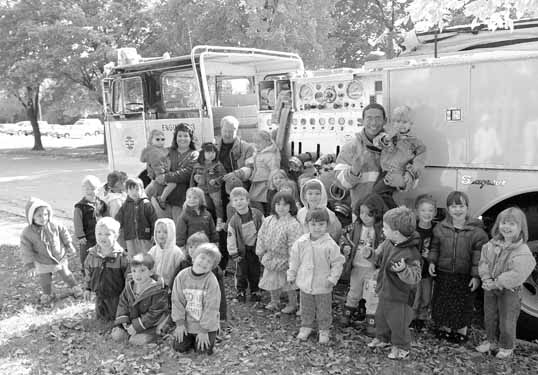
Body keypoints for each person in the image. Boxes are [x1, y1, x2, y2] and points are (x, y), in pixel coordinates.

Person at [428, 191, 489, 343]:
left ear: (467, 208)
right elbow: (434, 248)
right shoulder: (440, 228)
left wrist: (476, 276)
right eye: (453, 206)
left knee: (463, 303)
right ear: (448, 209)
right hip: (444, 272)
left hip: (465, 274)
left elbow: (479, 257)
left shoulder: (477, 232)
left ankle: (461, 330)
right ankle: (445, 328)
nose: (457, 210)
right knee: (444, 301)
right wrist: (432, 262)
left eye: (461, 206)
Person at [476, 207, 536, 359]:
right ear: (498, 225)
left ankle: (507, 346)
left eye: (512, 224)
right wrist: (486, 278)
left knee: (507, 320)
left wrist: (498, 282)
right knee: (490, 316)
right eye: (504, 223)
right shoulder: (491, 244)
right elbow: (483, 262)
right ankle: (491, 341)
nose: (506, 227)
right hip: (490, 287)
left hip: (510, 291)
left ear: (520, 228)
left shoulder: (522, 250)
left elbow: (518, 273)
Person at [364, 207, 422, 360]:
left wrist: (403, 270)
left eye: (385, 228)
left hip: (400, 296)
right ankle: (382, 338)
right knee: (381, 317)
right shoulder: (388, 243)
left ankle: (402, 346)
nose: (382, 230)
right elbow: (378, 258)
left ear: (396, 232)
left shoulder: (411, 253)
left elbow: (415, 277)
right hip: (385, 290)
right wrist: (370, 254)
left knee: (398, 323)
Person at [287, 209, 345, 344]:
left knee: (324, 308)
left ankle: (324, 329)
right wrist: (292, 274)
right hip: (305, 282)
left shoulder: (330, 244)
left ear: (327, 225)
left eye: (321, 224)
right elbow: (294, 259)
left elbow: (338, 262)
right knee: (306, 307)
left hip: (323, 283)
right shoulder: (301, 242)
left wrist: (332, 278)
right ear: (307, 225)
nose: (317, 228)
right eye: (313, 224)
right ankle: (306, 326)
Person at [20, 197, 83, 304]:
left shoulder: (55, 225)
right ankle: (47, 294)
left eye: (45, 214)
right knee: (45, 279)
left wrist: (69, 245)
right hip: (42, 260)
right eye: (39, 215)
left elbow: (64, 233)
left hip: (59, 257)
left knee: (66, 274)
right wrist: (30, 265)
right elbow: (26, 249)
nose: (43, 218)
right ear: (31, 217)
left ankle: (75, 287)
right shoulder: (27, 233)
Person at [340, 193, 386, 325]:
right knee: (354, 291)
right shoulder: (355, 227)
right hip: (357, 265)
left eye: (369, 214)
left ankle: (371, 320)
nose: (364, 217)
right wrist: (345, 247)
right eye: (361, 213)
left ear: (377, 214)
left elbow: (385, 246)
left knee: (372, 296)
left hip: (373, 269)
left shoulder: (381, 230)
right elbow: (344, 236)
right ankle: (348, 312)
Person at [217, 116, 255, 273]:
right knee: (218, 223)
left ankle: (242, 260)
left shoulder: (246, 148)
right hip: (217, 187)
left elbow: (250, 170)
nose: (227, 133)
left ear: (236, 131)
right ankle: (222, 260)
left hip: (238, 188)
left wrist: (234, 175)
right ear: (221, 129)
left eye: (231, 130)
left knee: (233, 219)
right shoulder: (213, 147)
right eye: (225, 130)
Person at [256, 192, 303, 313]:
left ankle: (292, 303)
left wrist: (292, 260)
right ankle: (274, 301)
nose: (281, 208)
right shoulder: (268, 220)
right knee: (272, 280)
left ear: (291, 206)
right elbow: (261, 236)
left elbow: (294, 243)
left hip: (285, 258)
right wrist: (260, 251)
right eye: (278, 204)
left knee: (288, 283)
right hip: (270, 255)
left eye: (285, 205)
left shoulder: (293, 224)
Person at [171, 243, 222, 355]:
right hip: (187, 323)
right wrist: (179, 323)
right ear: (194, 258)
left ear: (212, 267)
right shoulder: (182, 276)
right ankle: (189, 339)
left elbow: (211, 308)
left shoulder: (211, 281)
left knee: (203, 351)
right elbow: (177, 301)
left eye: (209, 261)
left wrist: (204, 330)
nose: (204, 262)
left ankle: (211, 336)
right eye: (202, 258)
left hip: (206, 326)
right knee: (179, 347)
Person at [372, 105, 427, 209]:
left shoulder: (415, 142)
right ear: (393, 123)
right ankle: (393, 213)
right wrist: (386, 138)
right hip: (385, 171)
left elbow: (419, 161)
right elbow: (376, 142)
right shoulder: (388, 135)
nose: (401, 125)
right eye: (397, 121)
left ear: (411, 124)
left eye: (404, 122)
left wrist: (410, 174)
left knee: (377, 193)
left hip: (398, 173)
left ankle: (396, 212)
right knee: (379, 195)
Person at [334, 103, 385, 210]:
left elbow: (407, 184)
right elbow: (341, 184)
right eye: (369, 118)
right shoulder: (350, 147)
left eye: (378, 118)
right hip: (361, 213)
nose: (374, 123)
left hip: (388, 212)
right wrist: (354, 170)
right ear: (362, 121)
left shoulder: (393, 147)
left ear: (385, 120)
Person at [112, 253, 169, 345]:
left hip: (150, 324)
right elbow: (123, 303)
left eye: (142, 270)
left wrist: (136, 326)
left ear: (151, 271)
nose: (137, 275)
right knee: (117, 336)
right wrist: (125, 322)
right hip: (132, 320)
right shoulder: (130, 285)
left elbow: (154, 313)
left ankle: (155, 335)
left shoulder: (158, 290)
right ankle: (130, 331)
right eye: (134, 271)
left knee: (135, 341)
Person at [179, 232, 228, 330]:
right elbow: (176, 285)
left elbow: (220, 294)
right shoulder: (183, 264)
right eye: (190, 247)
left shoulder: (214, 270)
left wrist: (222, 316)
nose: (192, 250)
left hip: (206, 301)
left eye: (196, 247)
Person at [84, 217, 129, 322]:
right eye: (99, 234)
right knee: (100, 317)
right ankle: (102, 320)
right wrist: (88, 288)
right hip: (99, 293)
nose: (102, 237)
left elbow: (128, 276)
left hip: (116, 294)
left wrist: (126, 294)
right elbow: (88, 273)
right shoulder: (92, 255)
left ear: (116, 236)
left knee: (115, 317)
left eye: (107, 234)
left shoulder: (121, 256)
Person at [154, 123, 198, 224]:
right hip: (162, 200)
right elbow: (155, 164)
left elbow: (186, 174)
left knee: (178, 230)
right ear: (175, 137)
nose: (182, 139)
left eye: (186, 136)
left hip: (180, 200)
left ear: (191, 138)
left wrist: (166, 177)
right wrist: (157, 175)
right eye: (180, 136)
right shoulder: (168, 151)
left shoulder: (194, 154)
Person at [227, 187, 264, 303]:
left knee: (255, 271)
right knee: (241, 272)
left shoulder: (257, 214)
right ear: (232, 204)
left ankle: (255, 290)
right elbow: (231, 238)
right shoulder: (234, 221)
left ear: (248, 201)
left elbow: (265, 228)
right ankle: (240, 291)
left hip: (255, 249)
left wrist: (264, 246)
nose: (239, 202)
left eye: (242, 199)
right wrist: (233, 253)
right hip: (241, 251)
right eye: (236, 200)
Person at [235, 130, 281, 214]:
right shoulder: (259, 152)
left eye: (259, 142)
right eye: (255, 142)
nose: (256, 145)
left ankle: (262, 216)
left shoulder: (270, 155)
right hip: (257, 181)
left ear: (267, 141)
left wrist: (271, 183)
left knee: (256, 200)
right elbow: (255, 160)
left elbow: (274, 170)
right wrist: (249, 161)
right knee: (253, 200)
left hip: (265, 183)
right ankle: (259, 215)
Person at [410, 194, 437, 331]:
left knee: (426, 296)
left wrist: (431, 256)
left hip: (428, 269)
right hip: (414, 268)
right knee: (415, 294)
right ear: (417, 212)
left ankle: (422, 317)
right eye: (423, 210)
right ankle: (412, 317)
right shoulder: (413, 229)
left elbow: (438, 248)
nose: (427, 213)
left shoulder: (436, 231)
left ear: (435, 212)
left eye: (430, 210)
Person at [115, 178, 158, 257]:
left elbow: (153, 220)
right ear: (127, 191)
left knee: (146, 255)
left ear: (142, 190)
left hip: (145, 235)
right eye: (131, 190)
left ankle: (146, 268)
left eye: (137, 189)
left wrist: (153, 234)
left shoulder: (146, 204)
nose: (134, 192)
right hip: (130, 236)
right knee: (132, 256)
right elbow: (118, 219)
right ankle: (134, 269)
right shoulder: (125, 205)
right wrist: (115, 228)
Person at [191, 142, 227, 231]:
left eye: (213, 152)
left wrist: (216, 180)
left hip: (214, 189)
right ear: (203, 153)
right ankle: (200, 221)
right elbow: (192, 178)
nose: (211, 155)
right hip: (201, 189)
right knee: (200, 204)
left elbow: (224, 176)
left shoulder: (218, 165)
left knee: (218, 204)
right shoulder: (198, 165)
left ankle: (219, 220)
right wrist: (193, 186)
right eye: (208, 152)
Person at [74, 175, 105, 276]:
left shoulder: (101, 203)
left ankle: (99, 270)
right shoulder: (80, 206)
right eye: (87, 189)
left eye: (93, 188)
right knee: (86, 255)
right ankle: (86, 272)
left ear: (98, 189)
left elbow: (106, 217)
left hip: (100, 235)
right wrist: (80, 236)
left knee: (100, 252)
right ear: (83, 190)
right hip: (86, 237)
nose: (90, 191)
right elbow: (77, 222)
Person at [141, 129, 176, 207]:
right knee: (173, 183)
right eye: (157, 139)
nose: (161, 141)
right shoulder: (154, 152)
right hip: (159, 175)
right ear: (151, 140)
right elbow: (157, 165)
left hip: (159, 175)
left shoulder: (160, 150)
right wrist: (161, 175)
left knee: (148, 192)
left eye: (163, 139)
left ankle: (141, 202)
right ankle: (162, 199)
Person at [148, 218, 185, 288]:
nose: (161, 235)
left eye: (165, 232)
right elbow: (147, 265)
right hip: (154, 285)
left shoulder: (176, 252)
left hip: (170, 286)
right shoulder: (153, 250)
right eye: (158, 232)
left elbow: (180, 272)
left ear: (171, 233)